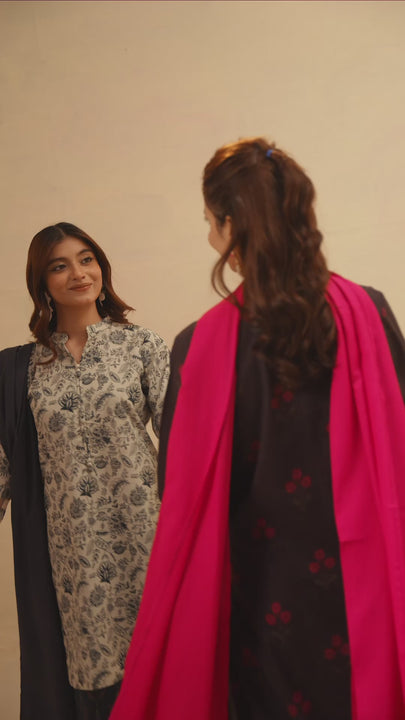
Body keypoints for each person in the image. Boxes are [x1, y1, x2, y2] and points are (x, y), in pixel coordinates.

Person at [110, 138, 405, 720]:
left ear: (230, 227)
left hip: (259, 592)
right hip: (361, 584)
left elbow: (181, 493)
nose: (209, 235)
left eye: (208, 222)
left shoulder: (199, 344)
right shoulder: (367, 312)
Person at [0, 222, 170, 720]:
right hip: (74, 558)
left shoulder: (142, 346)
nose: (78, 273)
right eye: (60, 266)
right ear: (42, 283)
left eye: (86, 259)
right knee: (97, 684)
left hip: (147, 537)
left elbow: (184, 442)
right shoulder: (22, 369)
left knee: (166, 667)